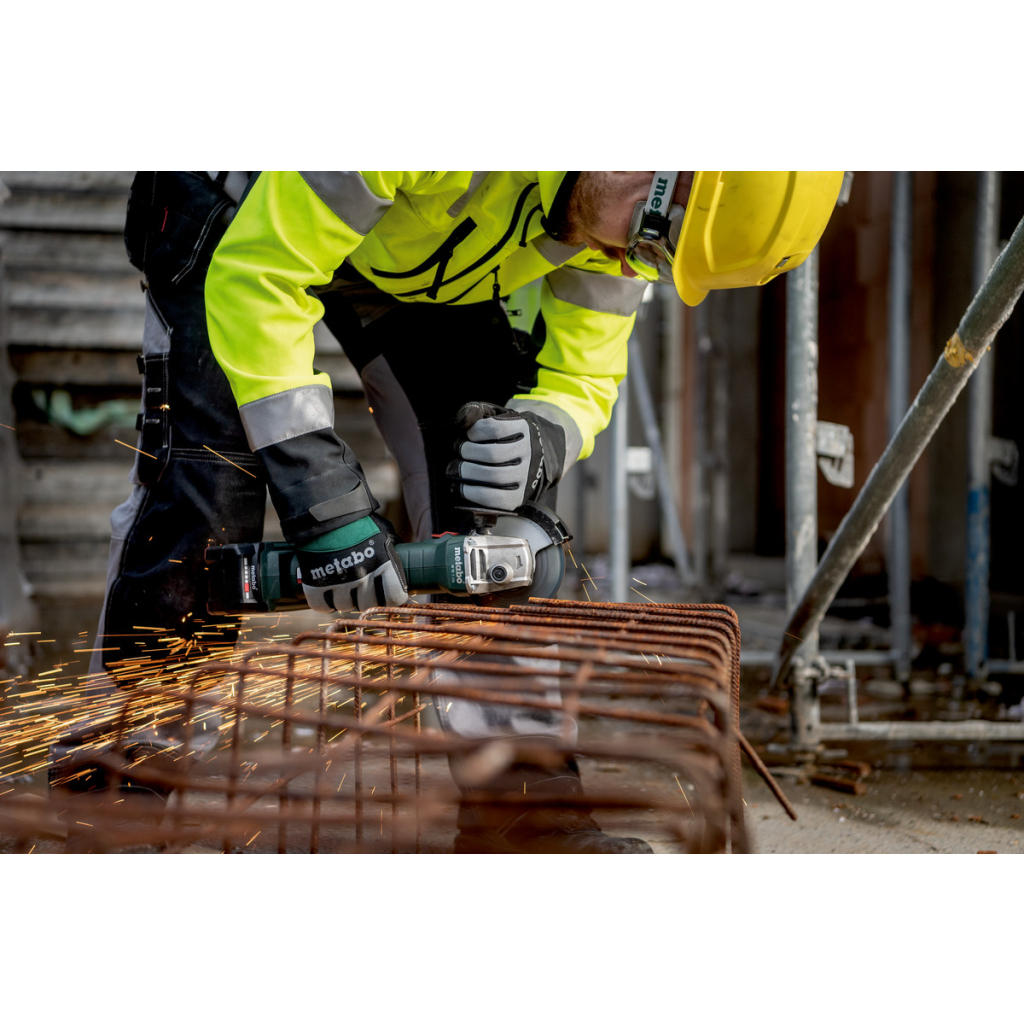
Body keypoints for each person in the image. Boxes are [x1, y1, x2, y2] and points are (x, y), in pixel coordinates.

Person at [51, 170, 844, 853]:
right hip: (244, 210)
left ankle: (521, 798)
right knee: (204, 483)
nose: (632, 262)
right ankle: (123, 776)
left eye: (659, 260)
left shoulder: (627, 228)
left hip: (415, 249)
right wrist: (323, 500)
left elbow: (582, 374)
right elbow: (260, 277)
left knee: (494, 493)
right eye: (652, 237)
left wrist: (544, 436)